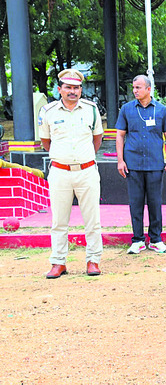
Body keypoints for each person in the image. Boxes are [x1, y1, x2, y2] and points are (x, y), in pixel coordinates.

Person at [38, 69, 104, 278]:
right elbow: (46, 142)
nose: (72, 91)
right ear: (60, 89)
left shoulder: (91, 110)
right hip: (60, 172)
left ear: (81, 90)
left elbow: (97, 139)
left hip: (86, 171)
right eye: (68, 87)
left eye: (76, 88)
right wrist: (64, 158)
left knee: (92, 220)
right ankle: (58, 262)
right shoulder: (48, 112)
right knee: (59, 220)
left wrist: (83, 159)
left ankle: (93, 260)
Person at [115, 75, 166, 254]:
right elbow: (120, 135)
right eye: (134, 87)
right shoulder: (126, 109)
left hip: (155, 164)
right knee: (135, 203)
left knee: (155, 203)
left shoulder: (162, 110)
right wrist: (120, 161)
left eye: (139, 87)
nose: (135, 91)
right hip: (133, 164)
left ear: (149, 89)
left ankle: (156, 239)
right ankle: (138, 240)